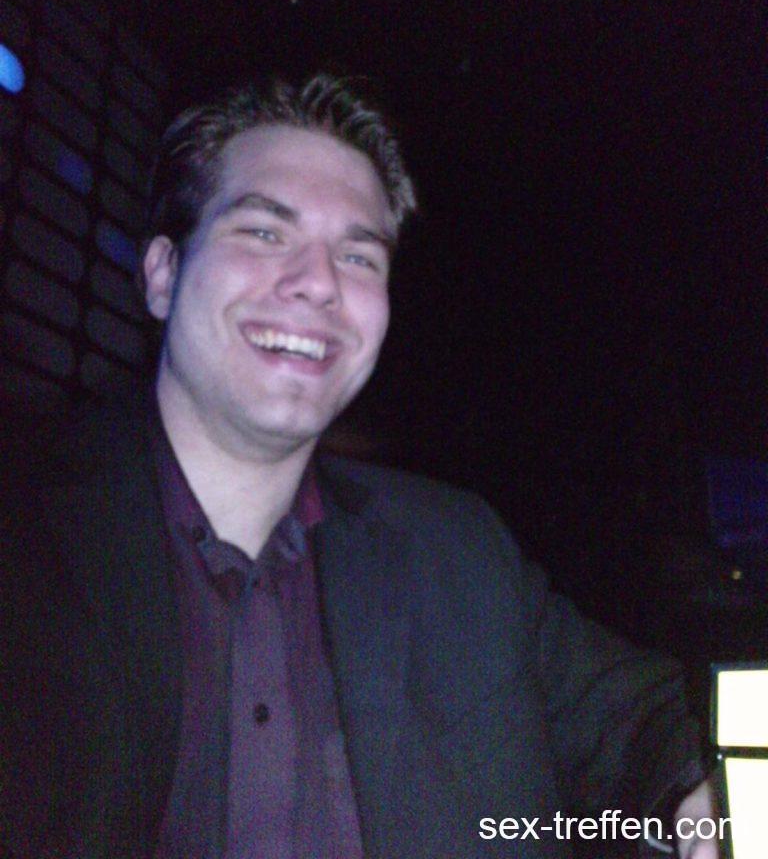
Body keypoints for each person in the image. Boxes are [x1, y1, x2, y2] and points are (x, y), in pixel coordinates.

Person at [2, 75, 718, 858]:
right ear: (162, 274)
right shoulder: (28, 535)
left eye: (357, 255)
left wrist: (701, 805)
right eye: (264, 232)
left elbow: (652, 726)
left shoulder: (459, 552)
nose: (319, 283)